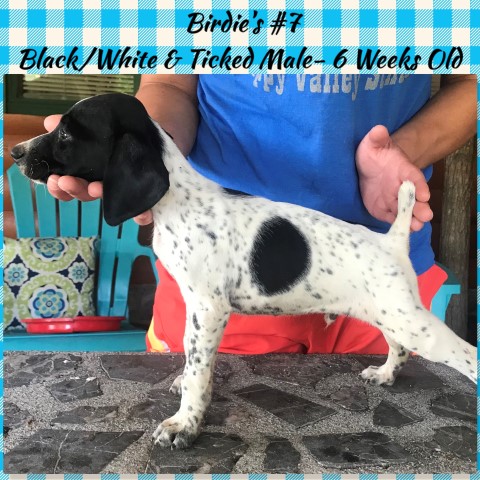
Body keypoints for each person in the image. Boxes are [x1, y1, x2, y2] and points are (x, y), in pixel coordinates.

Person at [45, 74, 476, 354]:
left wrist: (406, 149)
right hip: (220, 270)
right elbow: (171, 85)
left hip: (379, 265)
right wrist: (154, 164)